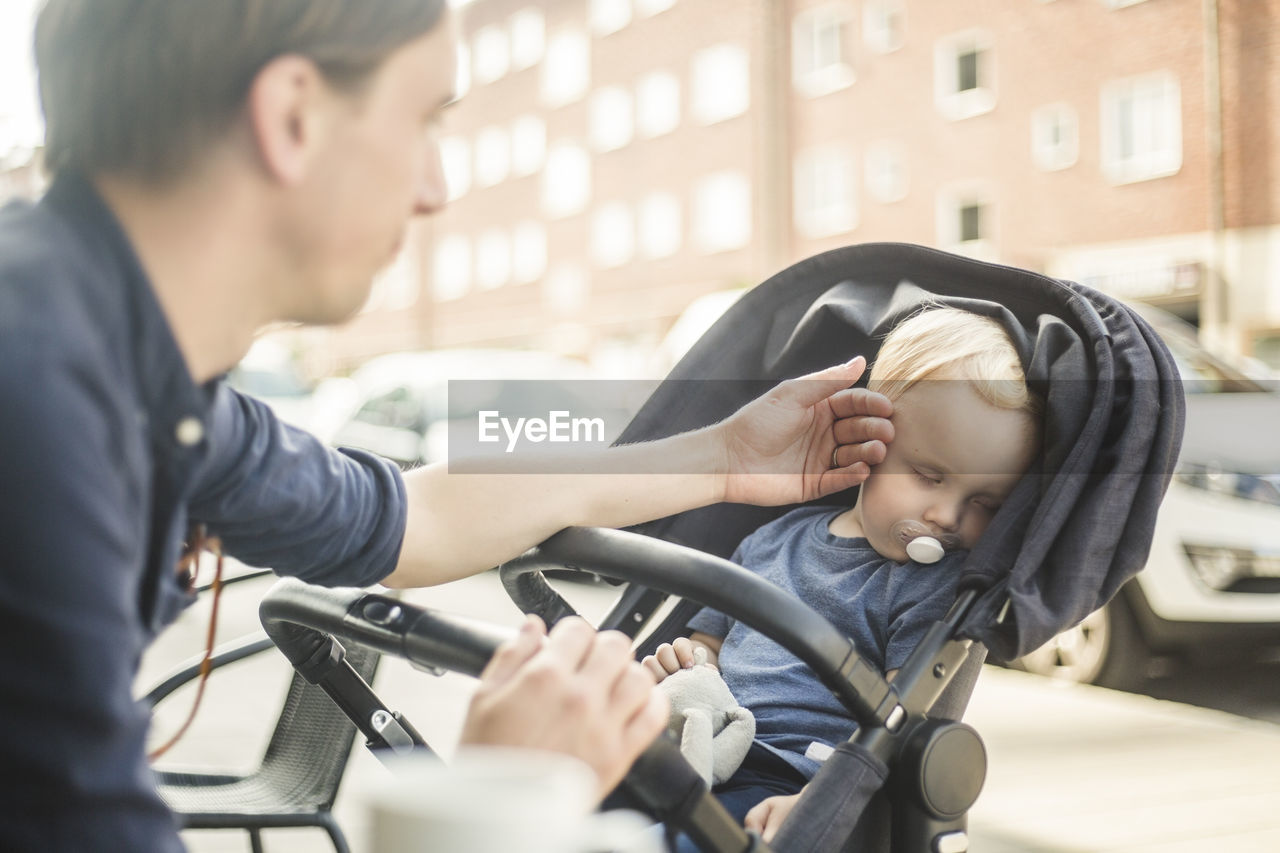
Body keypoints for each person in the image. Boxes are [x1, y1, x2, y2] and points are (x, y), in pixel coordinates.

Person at [0, 2, 897, 850]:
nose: (436, 187)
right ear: (293, 117)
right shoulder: (39, 403)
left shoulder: (129, 366)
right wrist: (499, 794)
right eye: (425, 120)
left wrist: (724, 454)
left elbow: (414, 517)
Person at [643, 307, 1043, 846]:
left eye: (984, 504)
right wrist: (688, 664)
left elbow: (902, 722)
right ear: (868, 442)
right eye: (927, 476)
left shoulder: (931, 588)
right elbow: (707, 644)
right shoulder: (769, 540)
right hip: (704, 742)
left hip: (795, 775)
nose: (947, 518)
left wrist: (821, 801)